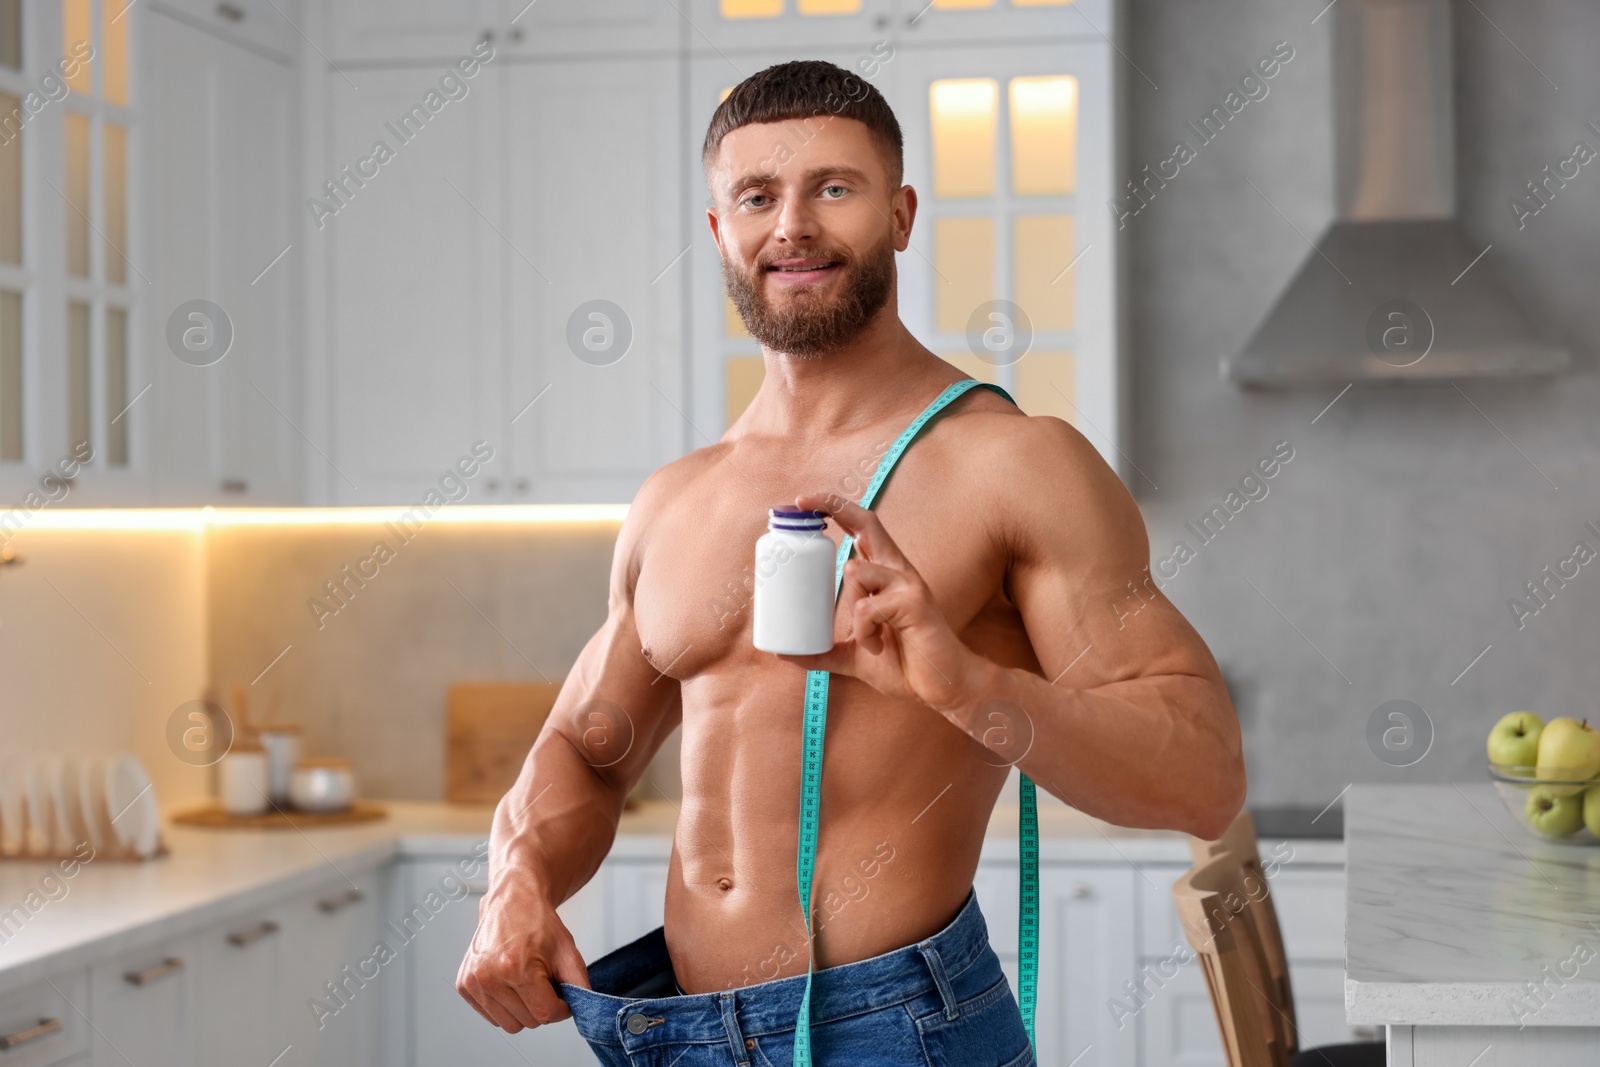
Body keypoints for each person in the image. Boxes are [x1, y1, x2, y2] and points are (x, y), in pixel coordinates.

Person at [457, 58, 1246, 1066]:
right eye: (756, 196)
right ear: (719, 232)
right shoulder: (676, 498)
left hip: (890, 1030)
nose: (791, 225)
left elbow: (1203, 775)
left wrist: (966, 684)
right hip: (672, 1030)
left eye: (833, 187)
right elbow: (584, 746)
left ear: (901, 214)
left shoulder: (1012, 464)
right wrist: (515, 875)